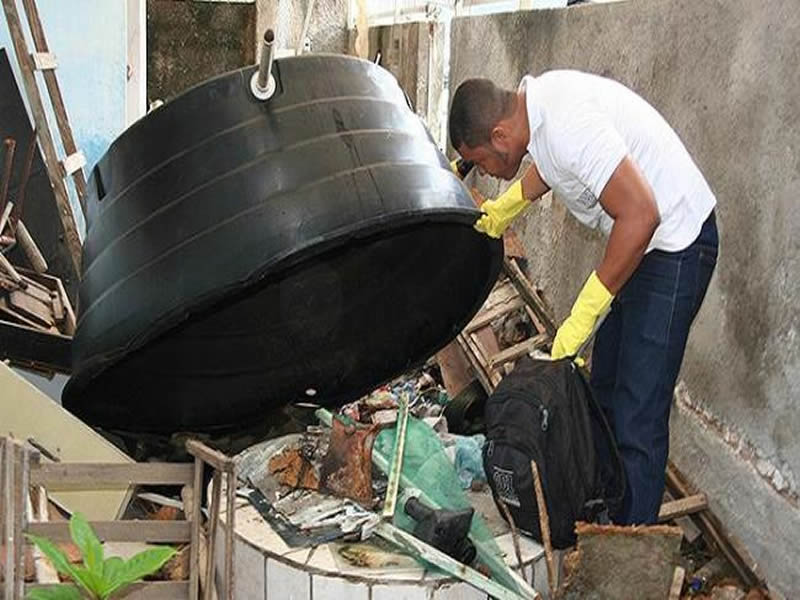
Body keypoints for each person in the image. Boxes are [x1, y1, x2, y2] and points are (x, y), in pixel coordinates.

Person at [449, 71, 719, 525]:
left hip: (676, 241)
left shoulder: (567, 123)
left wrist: (582, 315)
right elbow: (554, 168)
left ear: (499, 135)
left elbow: (641, 213)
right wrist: (506, 208)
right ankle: (607, 518)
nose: (489, 174)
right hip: (643, 244)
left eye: (484, 162)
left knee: (638, 411)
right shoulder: (538, 113)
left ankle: (626, 556)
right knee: (606, 392)